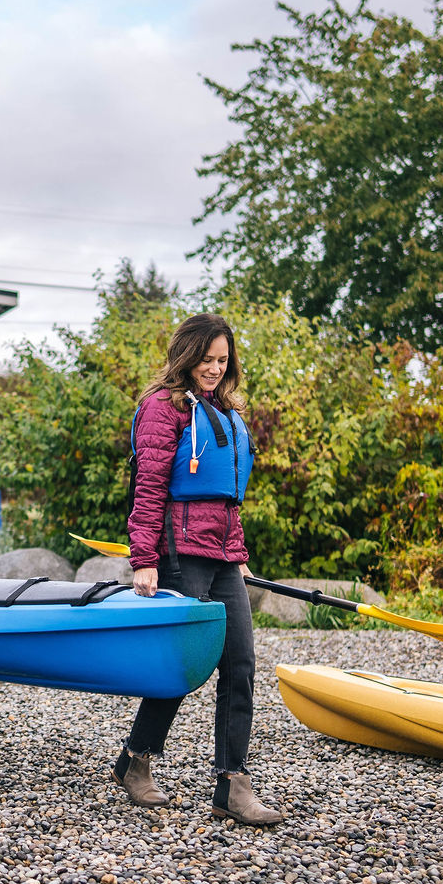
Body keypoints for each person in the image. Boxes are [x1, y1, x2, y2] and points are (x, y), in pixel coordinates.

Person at [111, 313, 281, 825]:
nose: (214, 368)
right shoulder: (164, 409)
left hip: (223, 556)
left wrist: (241, 553)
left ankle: (232, 784)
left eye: (222, 360)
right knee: (185, 667)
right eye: (207, 359)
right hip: (178, 553)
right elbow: (149, 490)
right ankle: (136, 761)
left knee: (241, 666)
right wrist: (144, 561)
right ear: (186, 356)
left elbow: (228, 499)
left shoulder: (221, 410)